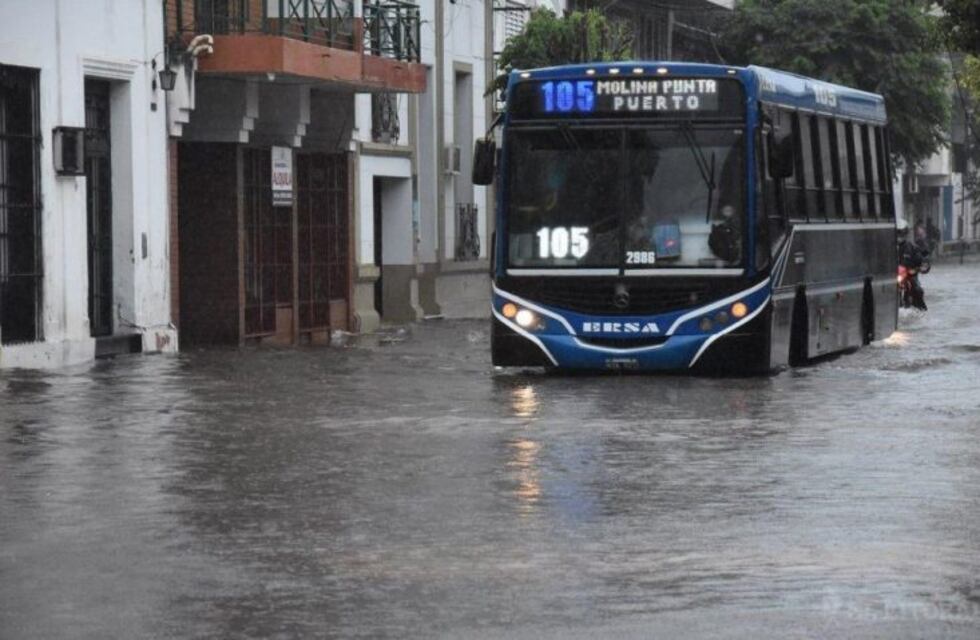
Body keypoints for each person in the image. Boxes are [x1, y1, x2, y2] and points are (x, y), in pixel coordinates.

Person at [897, 220, 927, 310]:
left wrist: (922, 265)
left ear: (906, 234)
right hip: (892, 275)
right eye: (897, 233)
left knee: (917, 290)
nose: (899, 236)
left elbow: (921, 259)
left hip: (909, 275)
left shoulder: (911, 247)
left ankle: (920, 309)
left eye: (901, 233)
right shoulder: (888, 246)